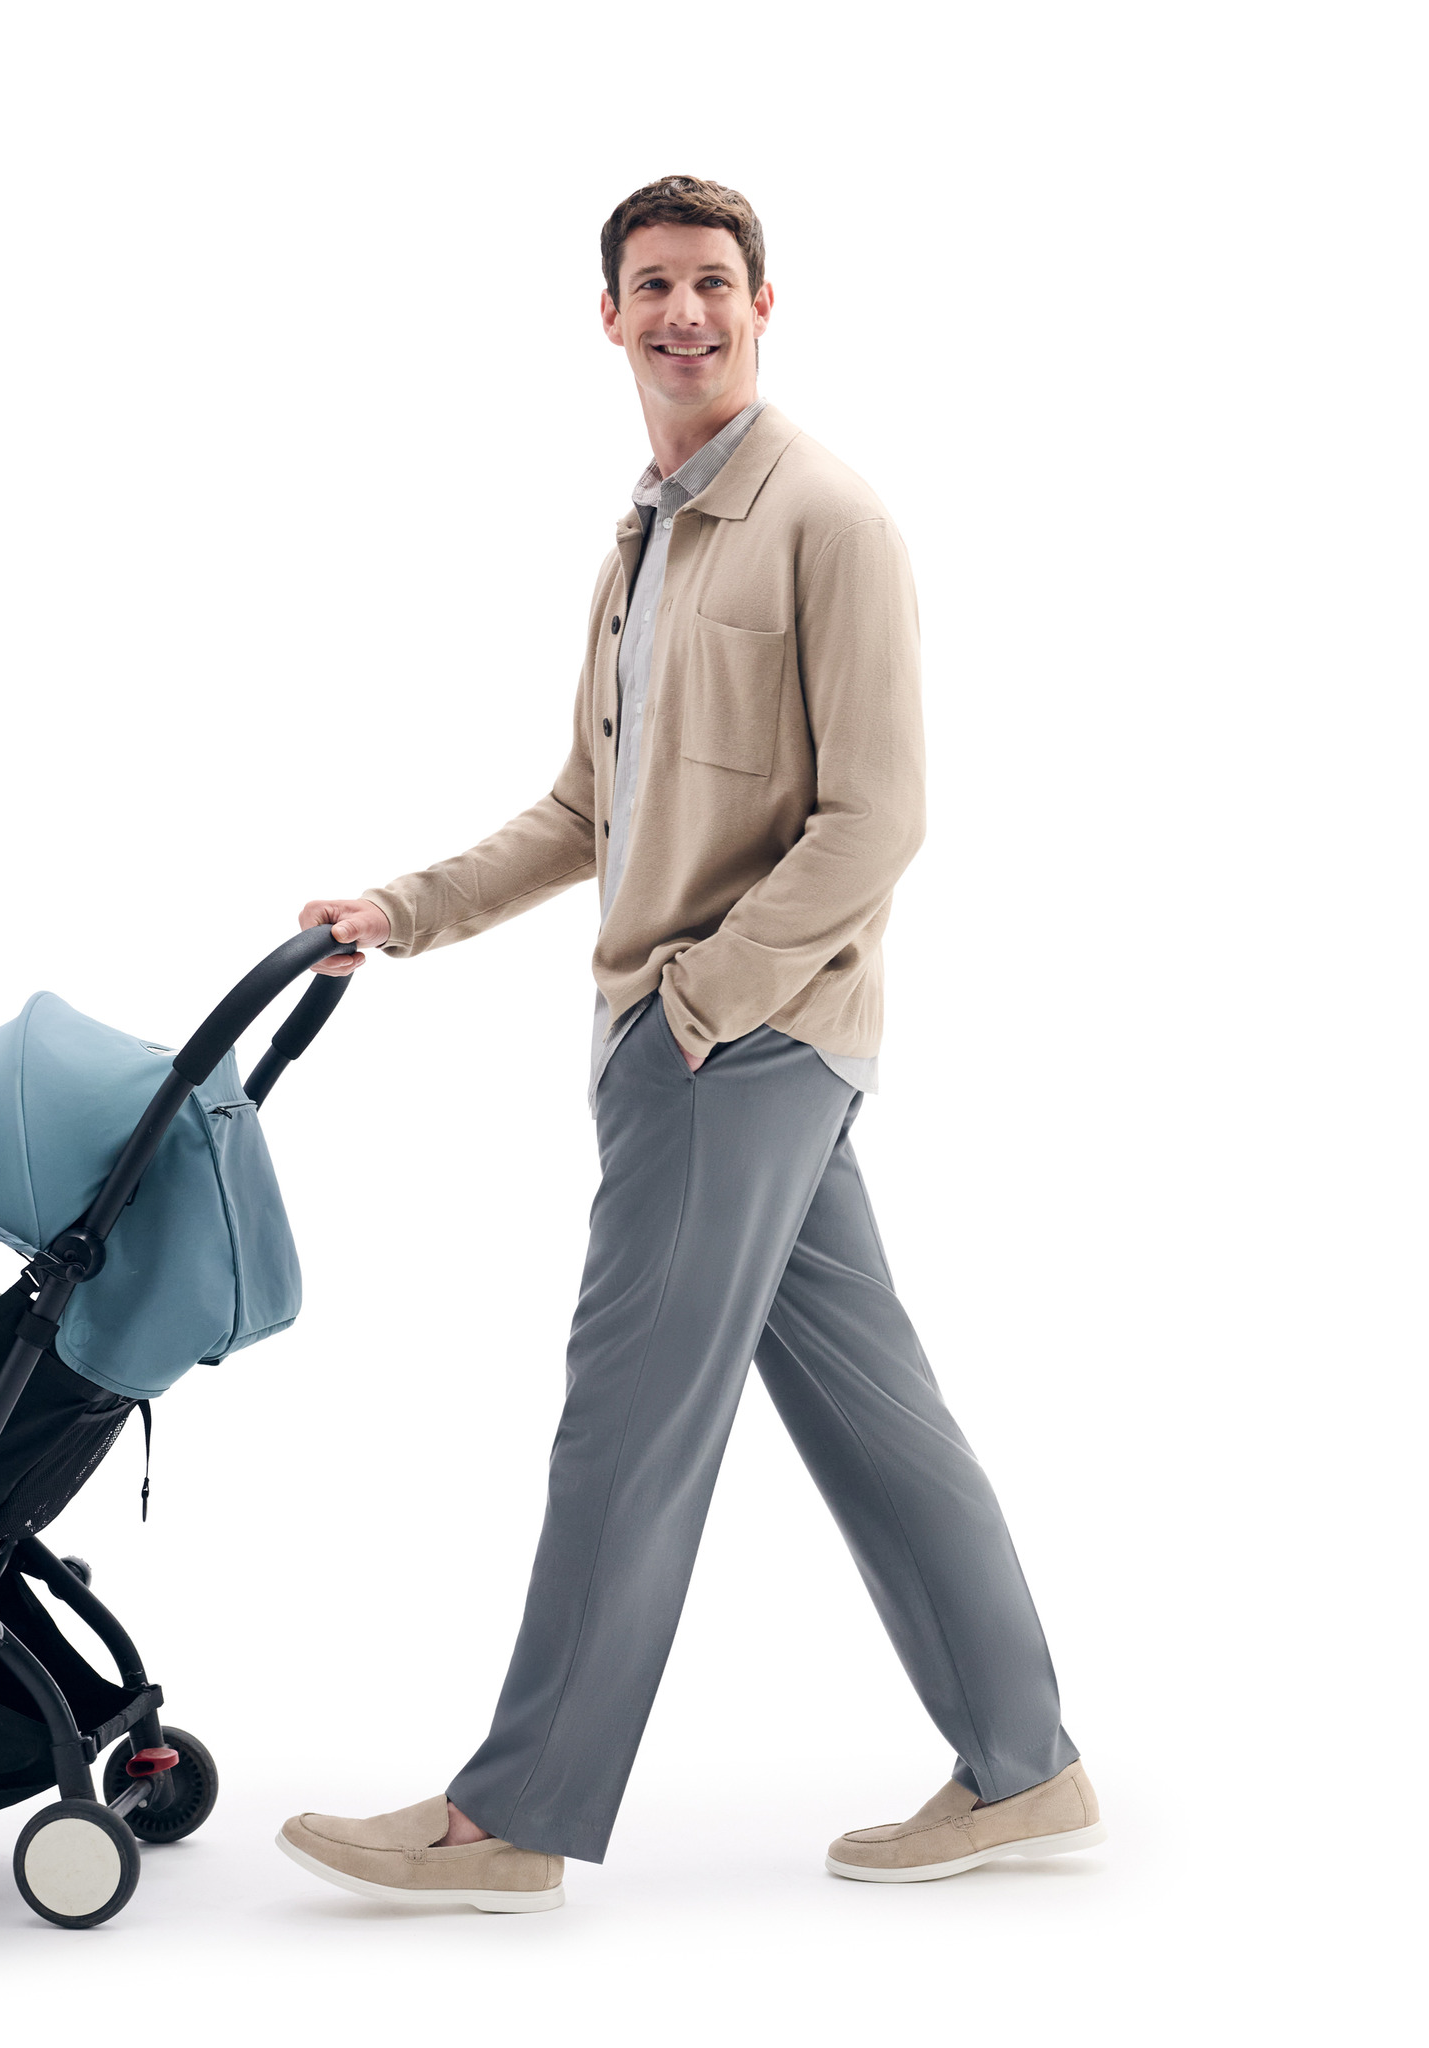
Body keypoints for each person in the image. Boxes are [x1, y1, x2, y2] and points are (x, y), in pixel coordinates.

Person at [276, 174, 1103, 1915]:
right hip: (715, 1045)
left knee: (625, 1425)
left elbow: (879, 816)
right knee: (876, 1417)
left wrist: (703, 1004)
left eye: (714, 282)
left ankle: (511, 1817)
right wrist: (404, 908)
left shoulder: (828, 517)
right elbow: (591, 806)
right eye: (652, 286)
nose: (685, 314)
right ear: (609, 317)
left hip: (738, 1047)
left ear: (763, 304)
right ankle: (1026, 1764)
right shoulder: (643, 541)